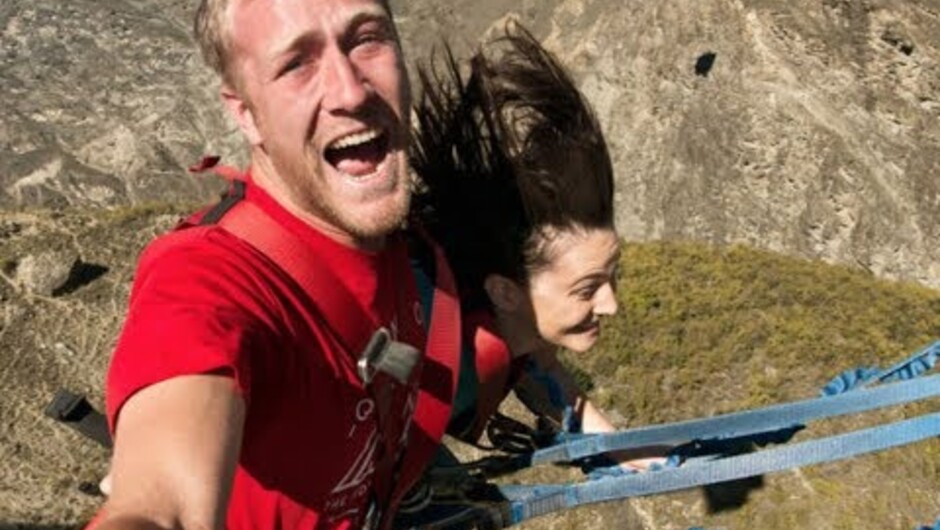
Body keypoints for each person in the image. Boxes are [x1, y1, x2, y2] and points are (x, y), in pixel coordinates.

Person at [95, 1, 460, 529]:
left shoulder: (401, 239)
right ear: (245, 113)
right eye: (296, 64)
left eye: (367, 39)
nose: (351, 91)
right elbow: (158, 509)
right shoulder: (209, 276)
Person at [409, 24, 659, 470]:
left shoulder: (514, 326)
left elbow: (546, 377)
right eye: (587, 289)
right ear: (505, 291)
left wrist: (641, 458)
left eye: (611, 276)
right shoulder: (423, 335)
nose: (612, 305)